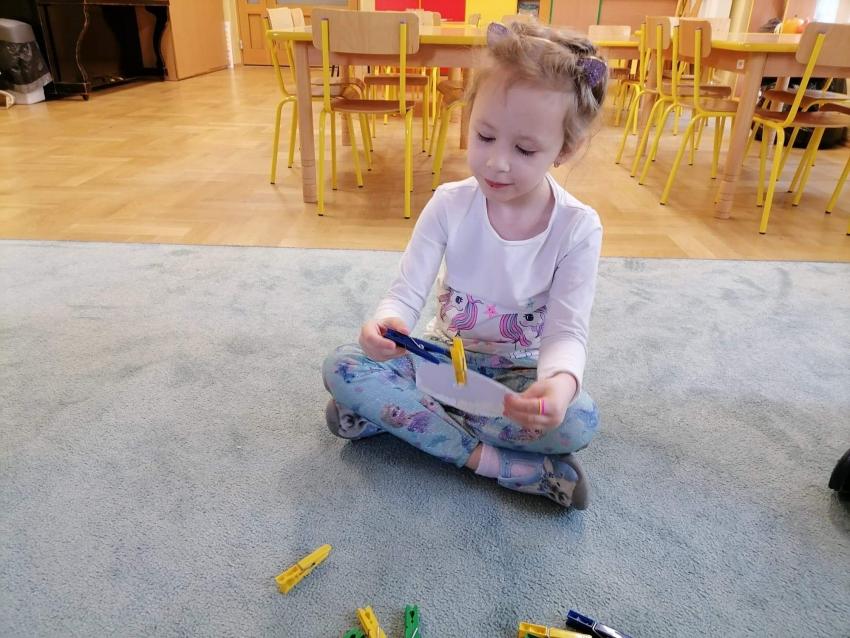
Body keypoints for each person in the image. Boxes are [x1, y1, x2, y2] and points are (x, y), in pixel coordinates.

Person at [322, 21, 608, 509]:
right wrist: (386, 325)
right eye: (485, 135)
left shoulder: (578, 227)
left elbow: (566, 333)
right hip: (440, 360)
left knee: (578, 420)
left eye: (524, 149)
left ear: (564, 149)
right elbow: (405, 294)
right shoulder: (449, 203)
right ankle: (497, 464)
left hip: (514, 378)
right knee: (345, 365)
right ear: (469, 116)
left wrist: (557, 387)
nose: (497, 162)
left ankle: (403, 419)